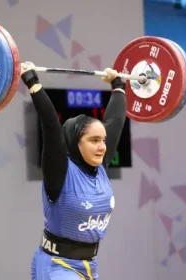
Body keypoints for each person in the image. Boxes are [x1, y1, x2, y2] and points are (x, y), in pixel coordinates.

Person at [20, 61, 127, 280]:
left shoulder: (100, 166)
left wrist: (118, 85)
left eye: (103, 140)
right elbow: (50, 127)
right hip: (56, 266)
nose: (102, 146)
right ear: (75, 142)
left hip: (89, 267)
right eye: (94, 140)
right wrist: (32, 81)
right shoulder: (60, 171)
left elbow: (115, 120)